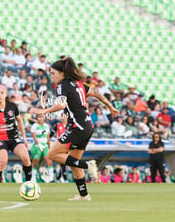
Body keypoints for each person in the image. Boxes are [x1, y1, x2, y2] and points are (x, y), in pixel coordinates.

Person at [33, 58, 118, 201]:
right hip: (87, 125)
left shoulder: (62, 86)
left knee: (52, 155)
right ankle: (84, 195)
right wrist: (110, 106)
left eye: (53, 73)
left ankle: (89, 165)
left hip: (77, 126)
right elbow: (96, 93)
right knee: (73, 161)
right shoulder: (79, 84)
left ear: (61, 73)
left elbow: (60, 105)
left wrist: (44, 111)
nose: (51, 76)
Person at [30, 115, 53, 183]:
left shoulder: (46, 126)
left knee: (49, 161)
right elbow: (34, 136)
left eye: (41, 117)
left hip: (45, 145)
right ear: (37, 118)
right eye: (39, 117)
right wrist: (39, 145)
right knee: (35, 161)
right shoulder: (34, 126)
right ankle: (33, 177)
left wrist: (49, 146)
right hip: (37, 146)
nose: (40, 119)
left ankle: (50, 178)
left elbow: (48, 137)